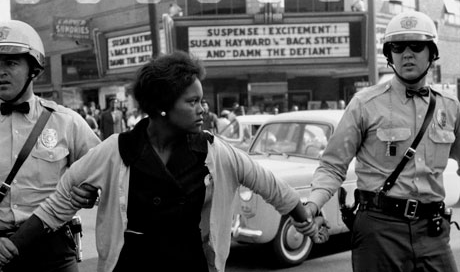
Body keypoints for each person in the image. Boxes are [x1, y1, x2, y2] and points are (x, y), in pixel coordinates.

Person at [0, 51, 327, 272]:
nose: (203, 109)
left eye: (202, 101)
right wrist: (14, 245)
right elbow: (60, 202)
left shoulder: (215, 151)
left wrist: (303, 218)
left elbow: (270, 185)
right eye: (193, 101)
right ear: (161, 107)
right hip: (132, 265)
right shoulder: (117, 150)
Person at [297, 11, 460, 272]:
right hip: (380, 229)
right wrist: (312, 204)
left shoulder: (450, 108)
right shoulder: (365, 104)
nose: (407, 54)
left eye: (417, 46)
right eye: (397, 47)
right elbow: (332, 166)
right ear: (389, 54)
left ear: (433, 53)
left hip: (433, 231)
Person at [0, 20, 100, 272]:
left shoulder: (66, 122)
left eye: (10, 63)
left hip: (52, 247)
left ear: (34, 69)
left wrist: (89, 193)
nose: (1, 72)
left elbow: (104, 170)